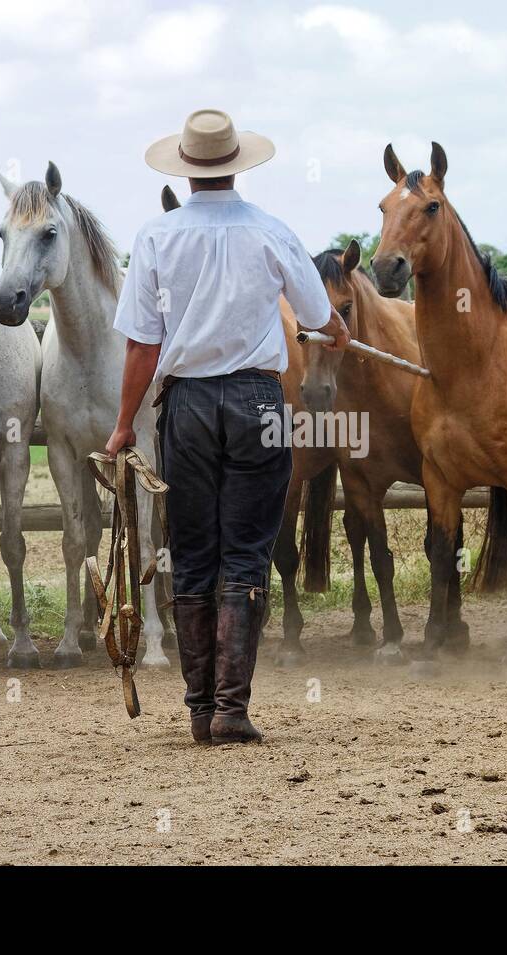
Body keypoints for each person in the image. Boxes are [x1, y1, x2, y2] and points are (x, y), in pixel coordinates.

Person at [106, 109, 349, 744]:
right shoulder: (273, 232)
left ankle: (197, 710)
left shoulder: (156, 238)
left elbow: (141, 347)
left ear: (185, 171)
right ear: (237, 165)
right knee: (245, 552)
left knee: (192, 553)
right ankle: (231, 711)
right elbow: (322, 317)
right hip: (258, 405)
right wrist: (339, 332)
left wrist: (123, 425)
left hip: (185, 408)